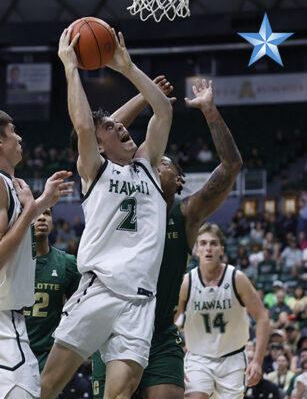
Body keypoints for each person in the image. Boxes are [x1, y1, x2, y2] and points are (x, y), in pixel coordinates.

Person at [92, 77, 244, 399]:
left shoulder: (184, 215)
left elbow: (231, 166)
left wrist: (210, 111)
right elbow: (98, 140)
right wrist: (143, 98)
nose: (153, 164)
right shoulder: (122, 198)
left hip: (160, 335)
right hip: (114, 329)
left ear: (179, 181)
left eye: (163, 163)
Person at [41, 28, 172, 399]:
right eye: (111, 127)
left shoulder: (147, 164)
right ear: (98, 145)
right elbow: (83, 125)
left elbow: (162, 110)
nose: (120, 126)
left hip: (141, 299)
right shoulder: (95, 171)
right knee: (48, 386)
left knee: (119, 394)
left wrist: (128, 68)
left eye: (120, 124)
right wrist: (70, 67)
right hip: (101, 288)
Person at [0, 108, 74, 399]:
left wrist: (41, 201)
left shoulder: (3, 182)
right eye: (13, 132)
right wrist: (32, 209)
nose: (20, 138)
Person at [177, 223, 270, 399]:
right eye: (203, 243)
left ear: (221, 249)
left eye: (213, 243)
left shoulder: (237, 279)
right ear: (196, 250)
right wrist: (174, 361)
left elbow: (263, 318)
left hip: (232, 358)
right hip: (198, 358)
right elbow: (168, 324)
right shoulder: (187, 283)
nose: (208, 248)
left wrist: (257, 361)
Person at [24, 207, 81, 372]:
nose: (41, 217)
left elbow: (82, 307)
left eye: (46, 213)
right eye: (35, 213)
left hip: (48, 357)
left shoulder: (67, 263)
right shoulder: (9, 262)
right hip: (13, 352)